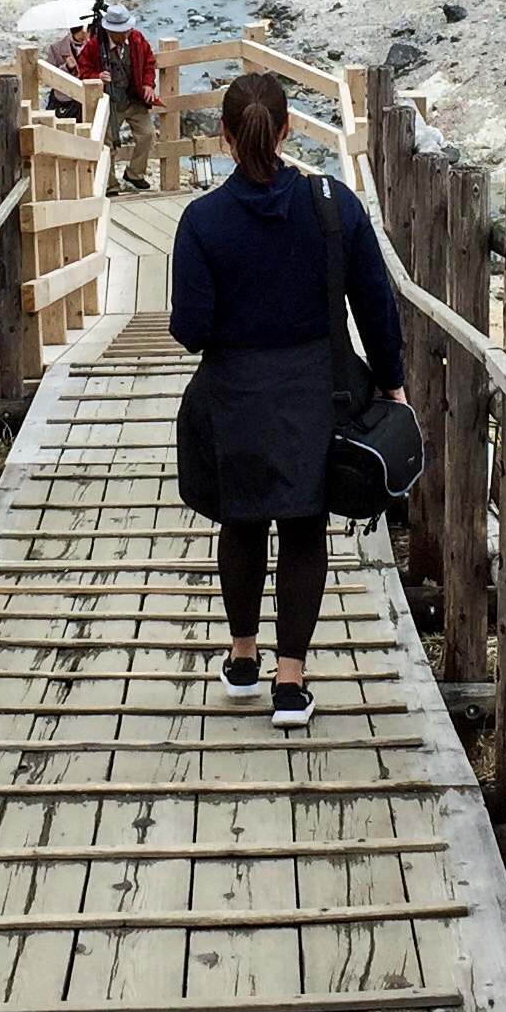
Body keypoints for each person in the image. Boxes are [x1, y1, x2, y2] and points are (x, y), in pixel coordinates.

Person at [168, 71, 404, 727]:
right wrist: (391, 381)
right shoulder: (334, 205)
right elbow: (375, 304)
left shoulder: (201, 221)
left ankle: (242, 658)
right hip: (316, 392)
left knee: (242, 521)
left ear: (223, 135)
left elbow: (191, 330)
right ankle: (291, 682)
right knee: (303, 528)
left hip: (235, 394)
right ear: (287, 130)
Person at [76, 0, 162, 191]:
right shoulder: (95, 45)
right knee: (108, 143)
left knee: (148, 134)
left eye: (127, 30)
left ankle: (135, 173)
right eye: (121, 31)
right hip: (109, 101)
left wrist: (148, 85)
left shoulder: (137, 39)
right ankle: (110, 183)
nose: (125, 34)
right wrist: (97, 77)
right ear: (110, 31)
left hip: (134, 98)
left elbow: (149, 62)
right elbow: (83, 70)